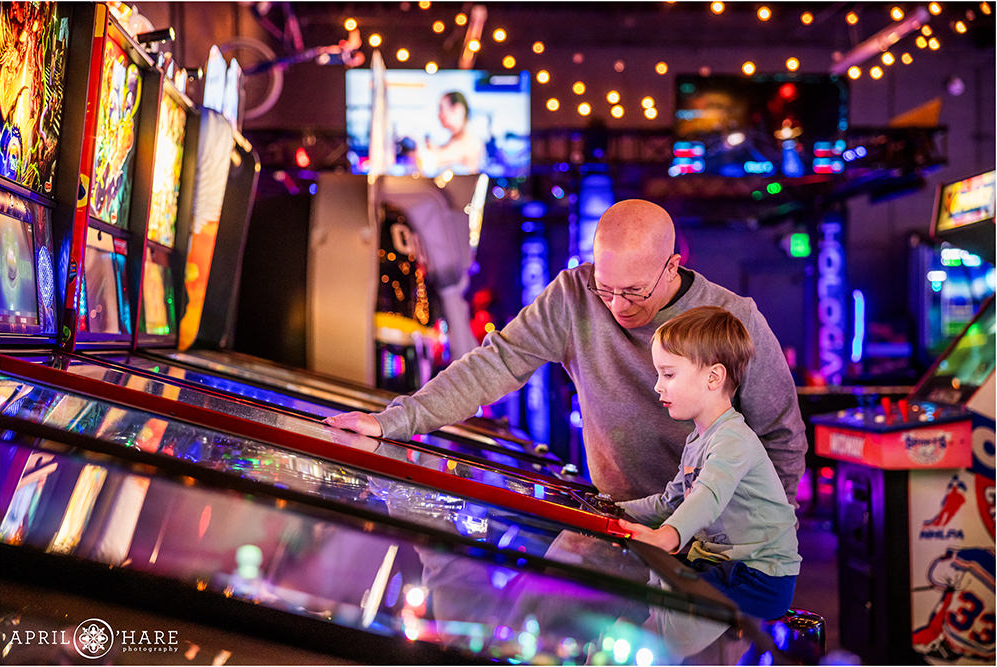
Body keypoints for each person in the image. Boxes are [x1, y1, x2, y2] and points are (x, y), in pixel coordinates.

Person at [324, 198, 807, 507]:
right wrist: (393, 421)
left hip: (714, 528)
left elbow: (781, 438)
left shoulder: (735, 318)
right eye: (606, 288)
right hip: (620, 514)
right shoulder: (574, 295)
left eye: (633, 292)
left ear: (672, 266)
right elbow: (495, 363)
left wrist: (764, 541)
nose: (617, 306)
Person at [616, 306, 801, 657]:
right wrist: (610, 510)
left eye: (668, 374)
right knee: (651, 591)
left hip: (760, 576)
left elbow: (707, 496)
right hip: (722, 563)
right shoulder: (698, 440)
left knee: (672, 617)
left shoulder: (733, 440)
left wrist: (667, 536)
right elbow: (671, 501)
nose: (657, 385)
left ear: (713, 377)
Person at [414, 91, 484, 174]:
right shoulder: (455, 139)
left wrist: (416, 149)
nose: (439, 115)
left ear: (457, 109)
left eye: (441, 109)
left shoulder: (470, 142)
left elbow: (432, 160)